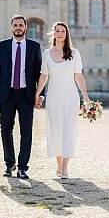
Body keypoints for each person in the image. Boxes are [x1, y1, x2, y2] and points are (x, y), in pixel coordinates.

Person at [0, 15, 45, 179]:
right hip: (7, 93)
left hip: (26, 94)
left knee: (26, 131)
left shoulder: (34, 47)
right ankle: (9, 164)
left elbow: (39, 73)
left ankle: (22, 167)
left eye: (21, 25)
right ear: (11, 27)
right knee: (5, 129)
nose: (18, 27)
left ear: (25, 27)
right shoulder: (3, 46)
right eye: (15, 25)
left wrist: (40, 94)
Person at [35, 21, 90, 179]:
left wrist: (85, 97)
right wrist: (37, 93)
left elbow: (78, 75)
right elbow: (44, 75)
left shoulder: (74, 53)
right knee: (56, 129)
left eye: (63, 31)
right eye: (57, 31)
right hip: (53, 95)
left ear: (67, 35)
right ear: (54, 34)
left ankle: (65, 167)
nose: (60, 33)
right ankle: (59, 165)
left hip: (70, 95)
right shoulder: (47, 54)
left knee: (68, 129)